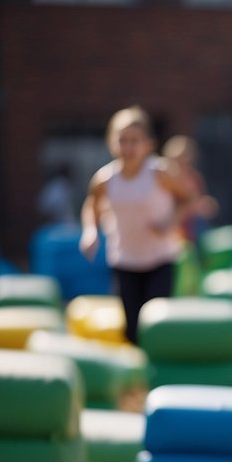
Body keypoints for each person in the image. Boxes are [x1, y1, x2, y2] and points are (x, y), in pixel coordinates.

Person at [80, 106, 201, 344]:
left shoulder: (160, 172)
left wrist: (170, 222)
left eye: (135, 141)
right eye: (122, 140)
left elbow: (188, 198)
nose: (128, 147)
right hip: (124, 260)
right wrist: (90, 232)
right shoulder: (105, 179)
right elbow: (91, 205)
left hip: (161, 259)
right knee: (132, 329)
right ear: (111, 143)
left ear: (148, 144)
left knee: (156, 325)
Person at [161, 135, 218, 244]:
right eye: (179, 159)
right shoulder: (163, 179)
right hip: (170, 230)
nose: (184, 161)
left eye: (186, 156)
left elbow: (198, 201)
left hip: (192, 230)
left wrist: (204, 205)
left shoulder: (194, 178)